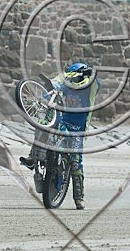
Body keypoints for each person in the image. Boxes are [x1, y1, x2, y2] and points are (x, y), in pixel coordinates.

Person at [20, 62, 100, 210]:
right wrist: (45, 94)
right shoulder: (67, 85)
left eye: (75, 79)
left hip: (78, 130)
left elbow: (95, 81)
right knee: (44, 124)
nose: (72, 83)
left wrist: (90, 72)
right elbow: (56, 83)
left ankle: (79, 198)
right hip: (63, 121)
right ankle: (33, 157)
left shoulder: (90, 89)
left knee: (75, 163)